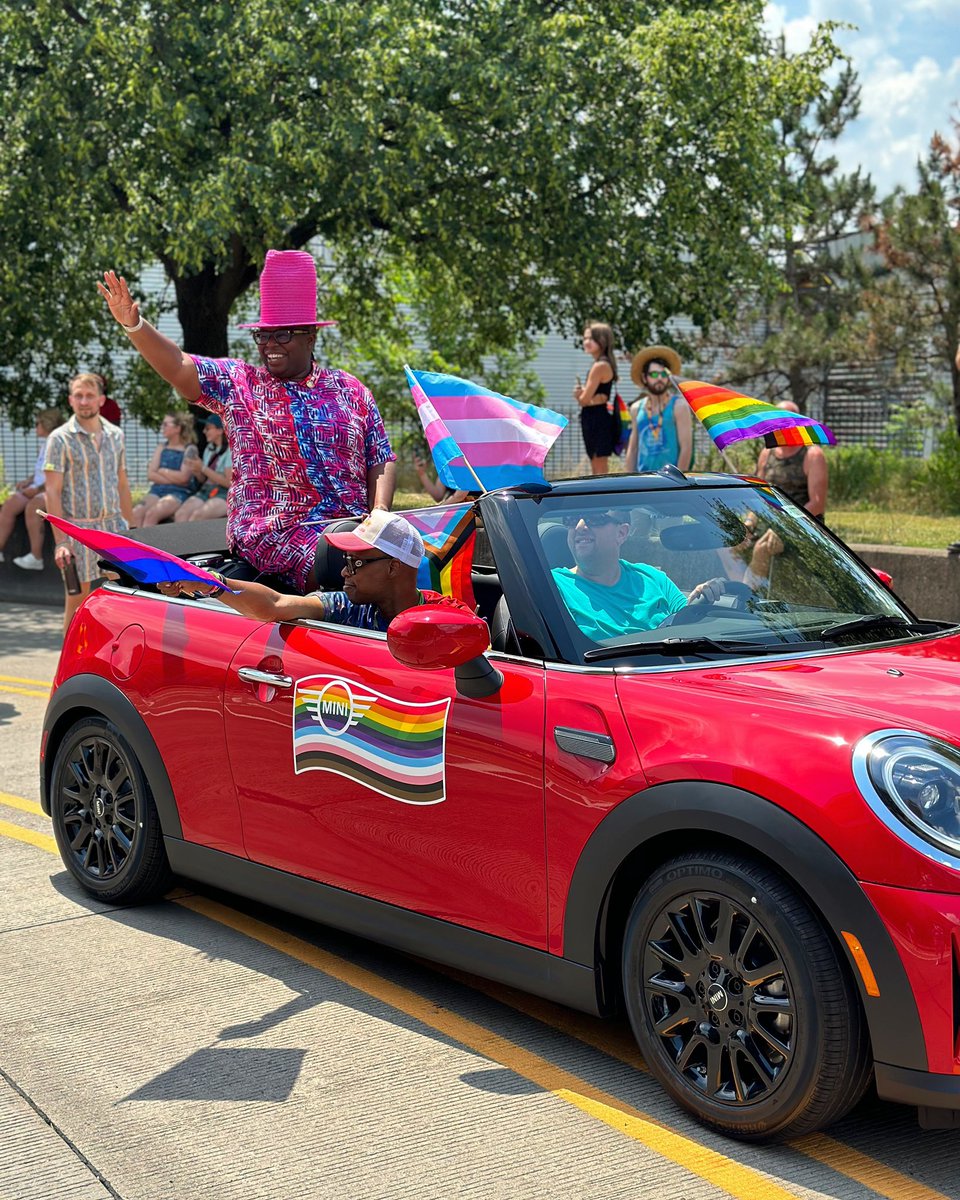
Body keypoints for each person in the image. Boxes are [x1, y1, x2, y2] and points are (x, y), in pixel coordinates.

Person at [97, 250, 396, 590]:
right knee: (351, 570)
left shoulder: (349, 389)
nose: (270, 344)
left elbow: (381, 457)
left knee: (411, 559)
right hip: (276, 532)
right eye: (263, 335)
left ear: (311, 335)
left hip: (353, 529)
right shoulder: (239, 383)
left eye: (283, 334)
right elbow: (179, 366)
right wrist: (134, 325)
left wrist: (381, 513)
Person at [158, 511, 472, 629]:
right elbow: (277, 605)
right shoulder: (348, 607)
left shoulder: (447, 617)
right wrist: (210, 583)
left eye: (354, 562)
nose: (344, 572)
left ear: (393, 567)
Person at [43, 373, 134, 634]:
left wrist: (134, 528)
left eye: (89, 395)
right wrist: (61, 541)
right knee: (77, 598)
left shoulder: (116, 435)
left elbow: (122, 482)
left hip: (113, 526)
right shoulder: (59, 439)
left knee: (123, 594)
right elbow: (52, 491)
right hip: (77, 531)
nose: (84, 401)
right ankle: (66, 668)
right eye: (78, 396)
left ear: (101, 400)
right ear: (71, 400)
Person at [551, 509, 724, 640]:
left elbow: (686, 626)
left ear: (621, 533)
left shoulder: (652, 578)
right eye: (571, 519)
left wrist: (703, 595)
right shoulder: (553, 587)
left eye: (595, 518)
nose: (580, 526)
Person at [1, 408, 64, 568]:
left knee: (34, 506)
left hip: (53, 490)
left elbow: (59, 475)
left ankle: (36, 557)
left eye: (37, 423)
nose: (35, 427)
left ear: (47, 424)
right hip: (38, 487)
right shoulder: (45, 444)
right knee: (10, 505)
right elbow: (40, 471)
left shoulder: (59, 444)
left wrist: (38, 490)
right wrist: (28, 481)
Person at [756, 401, 829, 522]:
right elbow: (759, 495)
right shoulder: (766, 453)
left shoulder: (813, 455)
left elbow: (817, 504)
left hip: (803, 526)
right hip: (770, 521)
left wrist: (786, 524)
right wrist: (749, 523)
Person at [624, 345, 693, 473]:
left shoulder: (679, 406)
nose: (659, 378)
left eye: (663, 374)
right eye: (654, 374)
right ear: (645, 377)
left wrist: (679, 483)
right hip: (643, 481)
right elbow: (633, 449)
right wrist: (629, 483)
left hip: (670, 481)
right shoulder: (636, 408)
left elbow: (686, 447)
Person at [131, 411, 200, 526]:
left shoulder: (189, 449)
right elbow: (151, 475)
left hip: (178, 492)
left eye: (166, 424)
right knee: (136, 512)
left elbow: (184, 478)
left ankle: (150, 544)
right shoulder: (161, 447)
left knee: (152, 514)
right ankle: (135, 544)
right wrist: (174, 478)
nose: (162, 427)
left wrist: (162, 471)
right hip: (157, 490)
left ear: (177, 428)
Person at [574, 322, 619, 475]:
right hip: (597, 416)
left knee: (599, 467)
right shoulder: (603, 363)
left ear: (602, 340)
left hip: (596, 418)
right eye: (585, 338)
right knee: (597, 463)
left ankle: (604, 497)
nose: (586, 342)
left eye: (591, 338)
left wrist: (580, 396)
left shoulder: (600, 365)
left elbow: (584, 400)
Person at [175, 413, 232, 521]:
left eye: (208, 428)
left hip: (224, 494)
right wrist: (196, 470)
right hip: (206, 490)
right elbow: (203, 479)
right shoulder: (209, 448)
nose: (204, 431)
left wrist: (202, 468)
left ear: (220, 431)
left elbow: (229, 483)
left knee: (197, 517)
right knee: (181, 514)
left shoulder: (230, 450)